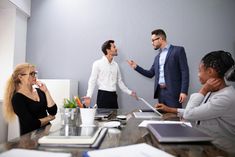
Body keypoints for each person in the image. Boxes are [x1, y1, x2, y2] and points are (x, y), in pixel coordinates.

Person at [182, 50, 235, 153]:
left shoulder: (225, 97)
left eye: (199, 70)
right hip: (208, 143)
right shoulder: (216, 91)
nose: (198, 75)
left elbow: (189, 114)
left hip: (221, 150)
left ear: (210, 71)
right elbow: (200, 110)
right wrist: (172, 110)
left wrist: (203, 90)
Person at [127, 29, 189, 108]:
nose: (152, 43)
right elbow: (150, 74)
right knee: (163, 118)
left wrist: (184, 91)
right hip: (161, 93)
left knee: (174, 118)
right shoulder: (157, 57)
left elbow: (185, 72)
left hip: (173, 93)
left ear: (160, 39)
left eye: (153, 40)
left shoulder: (178, 50)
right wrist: (136, 67)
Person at [3, 63, 57, 135]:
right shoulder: (17, 98)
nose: (35, 76)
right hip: (29, 139)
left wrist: (46, 91)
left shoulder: (40, 91)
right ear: (20, 77)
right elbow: (31, 124)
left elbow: (53, 111)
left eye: (35, 73)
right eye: (31, 74)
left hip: (45, 134)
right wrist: (49, 118)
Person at [83, 40, 137, 108]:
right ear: (108, 50)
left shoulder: (116, 65)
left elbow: (119, 82)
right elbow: (92, 81)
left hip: (113, 96)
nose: (116, 49)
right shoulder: (97, 64)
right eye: (114, 47)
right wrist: (88, 96)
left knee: (114, 118)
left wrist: (130, 92)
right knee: (103, 118)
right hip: (103, 96)